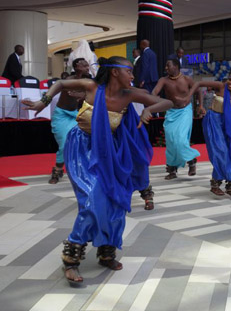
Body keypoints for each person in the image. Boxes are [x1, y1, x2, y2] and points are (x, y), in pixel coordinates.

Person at [22, 56, 173, 282]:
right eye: (129, 71)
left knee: (115, 202)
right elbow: (60, 83)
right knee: (92, 200)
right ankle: (71, 259)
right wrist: (43, 101)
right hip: (81, 149)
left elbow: (167, 102)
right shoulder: (91, 87)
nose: (132, 76)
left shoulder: (129, 95)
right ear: (114, 72)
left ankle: (106, 251)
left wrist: (148, 110)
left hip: (108, 152)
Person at [188, 70, 231, 200]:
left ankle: (230, 186)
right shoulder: (220, 86)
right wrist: (189, 97)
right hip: (213, 122)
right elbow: (198, 83)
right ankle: (216, 183)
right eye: (229, 79)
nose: (230, 82)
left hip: (228, 123)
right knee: (220, 152)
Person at [151, 59, 200, 180]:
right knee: (171, 141)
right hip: (171, 112)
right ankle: (172, 169)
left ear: (176, 66)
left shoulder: (187, 79)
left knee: (181, 139)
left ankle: (191, 160)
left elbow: (198, 91)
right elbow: (155, 92)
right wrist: (156, 99)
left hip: (185, 111)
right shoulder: (163, 80)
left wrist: (200, 106)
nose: (166, 68)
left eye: (168, 66)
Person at [49, 58, 90, 184]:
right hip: (61, 115)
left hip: (76, 115)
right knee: (64, 144)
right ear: (77, 66)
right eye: (84, 65)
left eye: (88, 65)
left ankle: (81, 170)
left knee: (80, 143)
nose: (87, 67)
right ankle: (57, 170)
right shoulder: (68, 80)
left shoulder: (88, 80)